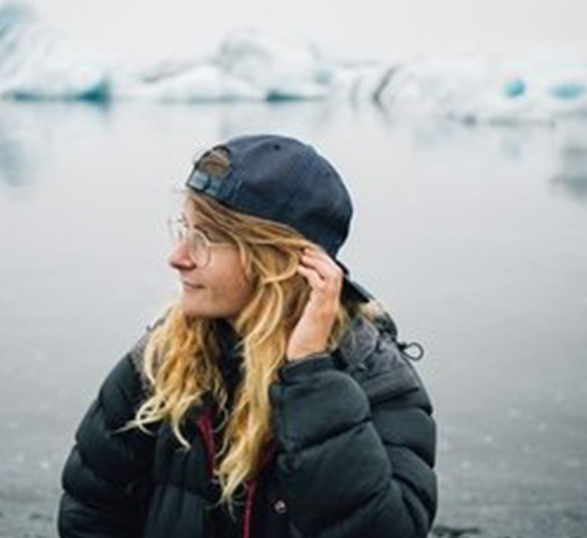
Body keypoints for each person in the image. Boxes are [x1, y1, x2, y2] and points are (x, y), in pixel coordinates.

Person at [58, 134, 437, 538]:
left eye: (206, 239)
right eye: (184, 230)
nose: (177, 258)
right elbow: (90, 513)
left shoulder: (373, 378)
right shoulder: (162, 361)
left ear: (279, 261)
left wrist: (311, 378)